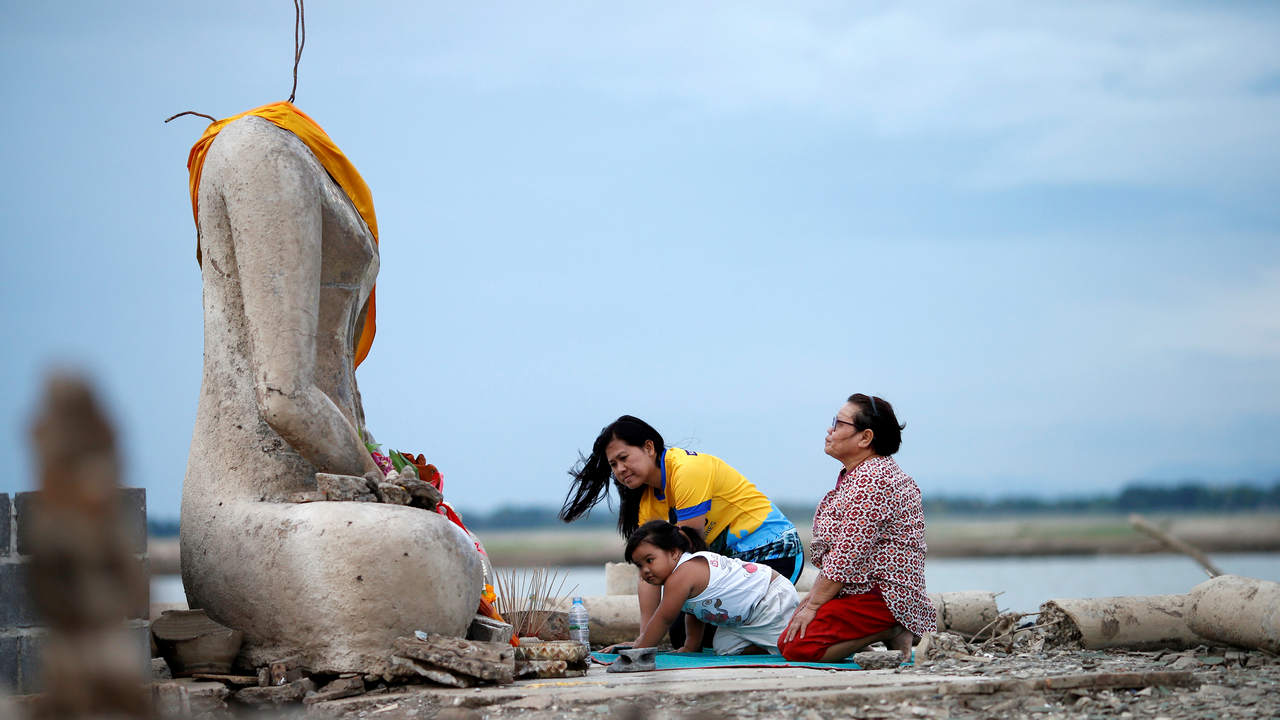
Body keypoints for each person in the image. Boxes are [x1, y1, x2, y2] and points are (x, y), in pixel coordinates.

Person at [560, 415, 804, 646]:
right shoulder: (647, 502)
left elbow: (689, 550)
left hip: (774, 553)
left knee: (697, 633)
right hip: (732, 568)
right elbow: (650, 568)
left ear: (648, 447)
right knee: (678, 634)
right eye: (613, 464)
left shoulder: (687, 470)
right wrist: (644, 639)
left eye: (624, 458)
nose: (620, 469)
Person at [778, 394, 936, 662]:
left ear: (865, 438)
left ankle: (891, 627)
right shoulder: (863, 474)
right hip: (860, 590)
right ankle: (876, 634)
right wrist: (814, 599)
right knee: (790, 637)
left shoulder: (873, 481)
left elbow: (847, 554)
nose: (830, 430)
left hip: (884, 594)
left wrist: (815, 604)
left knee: (798, 647)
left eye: (838, 424)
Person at [613, 521, 800, 655]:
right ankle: (764, 646)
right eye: (639, 565)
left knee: (790, 648)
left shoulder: (683, 574)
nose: (645, 570)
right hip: (742, 621)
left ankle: (779, 641)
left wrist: (640, 650)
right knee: (724, 649)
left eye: (650, 560)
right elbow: (694, 612)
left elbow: (663, 618)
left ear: (674, 552)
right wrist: (690, 646)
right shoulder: (679, 578)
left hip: (769, 599)